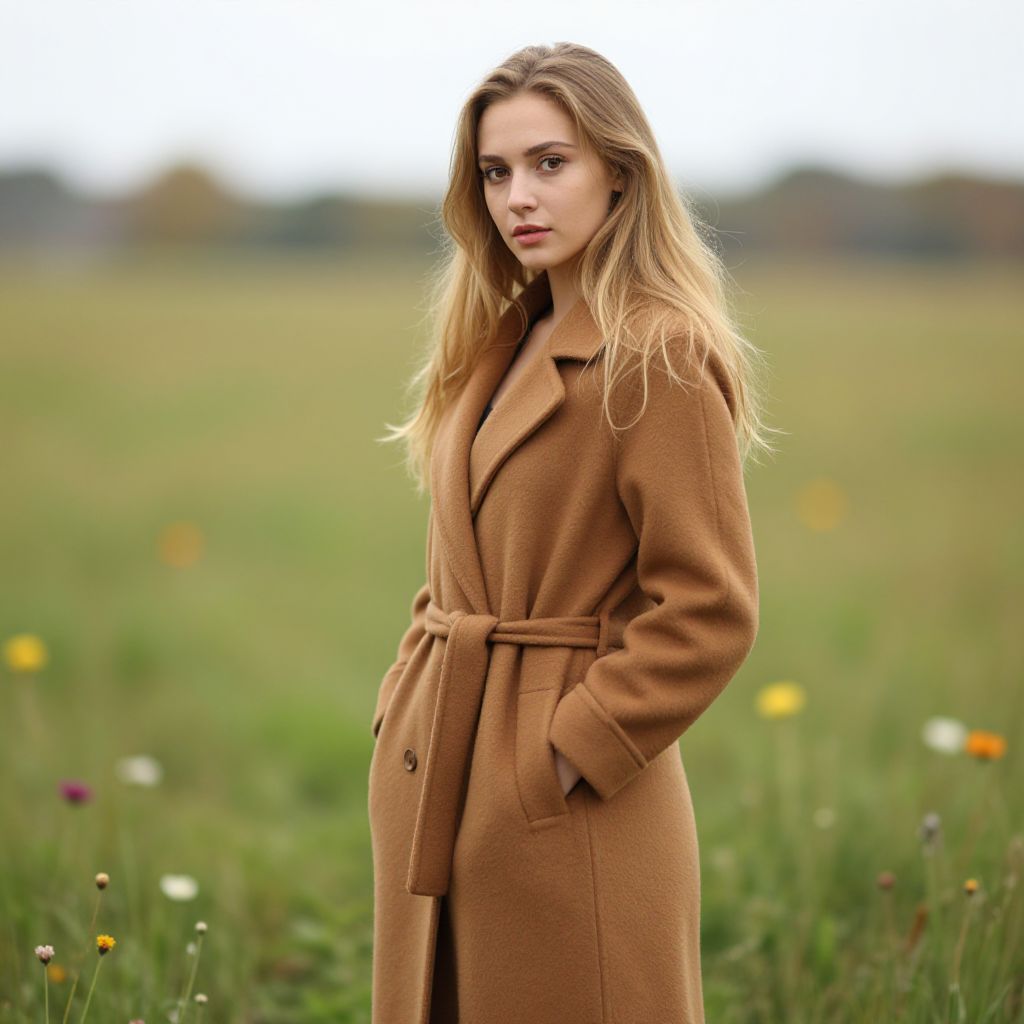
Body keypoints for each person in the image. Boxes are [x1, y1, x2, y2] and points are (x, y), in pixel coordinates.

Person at [369, 41, 775, 1024]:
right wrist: (402, 706)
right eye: (496, 172)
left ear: (619, 170)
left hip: (566, 809)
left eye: (550, 163)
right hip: (440, 767)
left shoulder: (660, 354)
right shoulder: (490, 342)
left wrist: (557, 760)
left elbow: (709, 610)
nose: (519, 196)